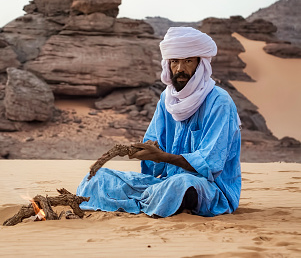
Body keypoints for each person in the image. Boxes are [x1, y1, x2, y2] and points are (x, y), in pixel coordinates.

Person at [77, 27, 241, 217]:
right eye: (174, 61)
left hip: (210, 189)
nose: (180, 69)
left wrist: (163, 157)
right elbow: (155, 162)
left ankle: (142, 201)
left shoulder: (219, 102)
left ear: (200, 64)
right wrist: (146, 151)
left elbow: (211, 164)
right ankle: (150, 200)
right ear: (167, 64)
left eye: (188, 61)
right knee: (98, 178)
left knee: (182, 184)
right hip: (165, 183)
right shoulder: (167, 99)